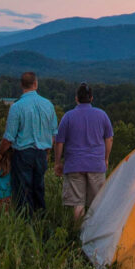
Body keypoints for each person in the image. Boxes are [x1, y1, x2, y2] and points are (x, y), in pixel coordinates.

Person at [53, 83, 114, 223]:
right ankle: (94, 235)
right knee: (97, 203)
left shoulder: (68, 117)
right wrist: (106, 159)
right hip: (96, 164)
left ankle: (78, 234)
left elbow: (59, 142)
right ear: (91, 98)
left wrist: (57, 162)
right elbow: (109, 139)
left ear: (76, 99)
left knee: (78, 204)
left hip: (74, 165)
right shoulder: (102, 115)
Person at [1, 71, 58, 216]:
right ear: (36, 84)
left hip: (23, 154)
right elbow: (53, 134)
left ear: (21, 85)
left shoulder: (17, 107)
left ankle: (26, 223)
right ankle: (41, 221)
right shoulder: (48, 105)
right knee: (38, 188)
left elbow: (9, 137)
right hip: (41, 153)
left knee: (22, 191)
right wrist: (47, 152)